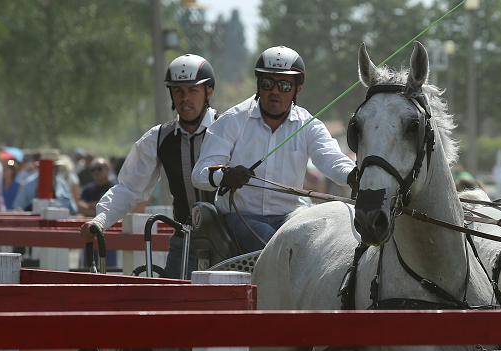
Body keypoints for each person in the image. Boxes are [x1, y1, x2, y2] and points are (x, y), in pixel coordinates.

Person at [191, 46, 355, 254]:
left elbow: (332, 159)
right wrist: (224, 175)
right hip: (240, 217)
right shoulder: (232, 120)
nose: (275, 91)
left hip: (290, 217)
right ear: (258, 85)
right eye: (268, 83)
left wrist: (356, 176)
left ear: (298, 89)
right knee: (274, 247)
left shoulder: (309, 125)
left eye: (284, 85)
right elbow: (199, 173)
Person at [79, 54, 219, 279]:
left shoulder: (228, 129)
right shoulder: (159, 137)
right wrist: (100, 220)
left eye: (192, 90)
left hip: (228, 242)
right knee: (172, 310)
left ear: (208, 92)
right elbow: (128, 188)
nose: (185, 98)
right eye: (178, 91)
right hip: (183, 241)